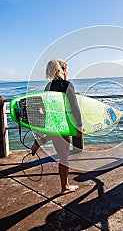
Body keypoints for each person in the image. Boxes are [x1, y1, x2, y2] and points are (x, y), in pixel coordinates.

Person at [31, 59, 83, 194]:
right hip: (63, 124)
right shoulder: (67, 85)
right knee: (64, 157)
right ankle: (64, 187)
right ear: (63, 70)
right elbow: (74, 107)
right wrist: (79, 126)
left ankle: (40, 141)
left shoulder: (48, 87)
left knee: (62, 152)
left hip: (53, 123)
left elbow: (44, 108)